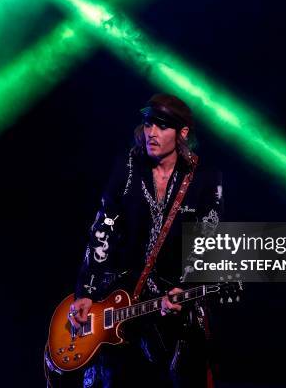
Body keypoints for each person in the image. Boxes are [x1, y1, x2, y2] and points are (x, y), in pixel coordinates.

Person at [69, 93, 224, 387]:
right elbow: (103, 227)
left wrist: (185, 286)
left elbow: (208, 238)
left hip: (173, 304)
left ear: (182, 133)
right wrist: (86, 290)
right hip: (121, 300)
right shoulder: (128, 166)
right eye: (149, 123)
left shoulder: (206, 178)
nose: (152, 132)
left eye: (162, 126)